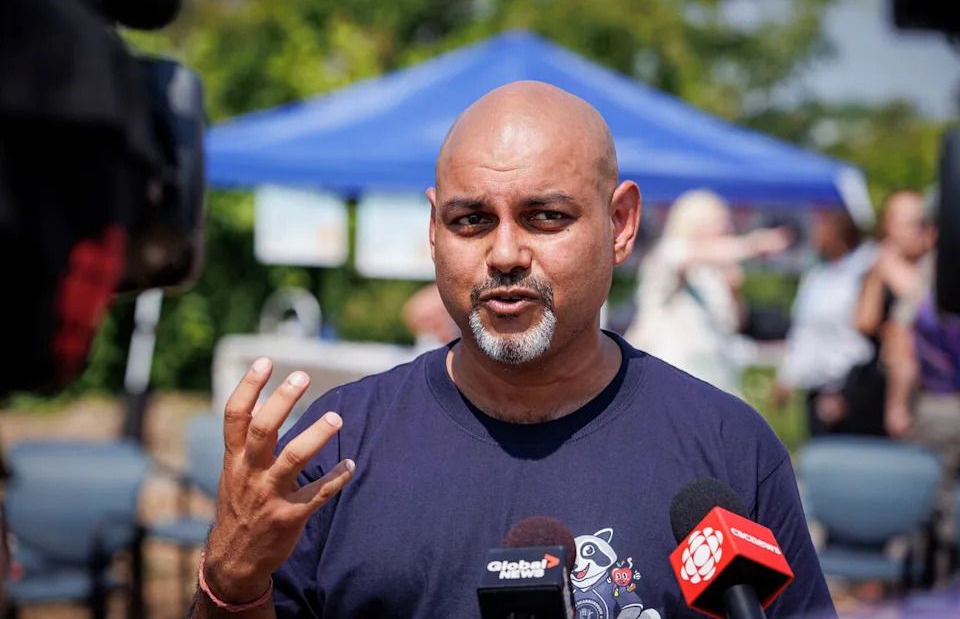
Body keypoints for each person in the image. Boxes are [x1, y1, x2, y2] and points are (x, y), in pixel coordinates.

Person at [192, 81, 835, 619]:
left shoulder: (726, 452)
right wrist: (230, 582)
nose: (504, 255)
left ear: (621, 225)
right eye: (470, 220)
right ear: (433, 230)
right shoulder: (335, 450)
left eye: (545, 217)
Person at [624, 190, 790, 395]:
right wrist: (753, 245)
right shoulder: (669, 252)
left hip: (715, 373)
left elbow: (735, 325)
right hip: (672, 371)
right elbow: (688, 255)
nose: (727, 229)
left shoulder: (717, 272)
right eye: (719, 222)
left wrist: (735, 292)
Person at [772, 208, 874, 436]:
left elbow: (856, 334)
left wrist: (840, 391)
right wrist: (788, 376)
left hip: (850, 384)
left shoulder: (863, 271)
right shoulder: (817, 276)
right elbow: (804, 330)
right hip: (817, 385)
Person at [845, 190, 933, 436]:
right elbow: (863, 322)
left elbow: (923, 305)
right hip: (880, 379)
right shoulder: (878, 265)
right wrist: (878, 274)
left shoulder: (932, 266)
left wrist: (893, 270)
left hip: (925, 384)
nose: (913, 230)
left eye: (919, 222)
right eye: (905, 223)